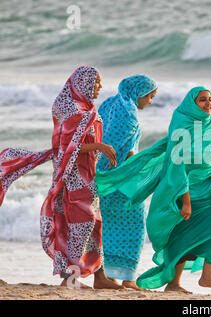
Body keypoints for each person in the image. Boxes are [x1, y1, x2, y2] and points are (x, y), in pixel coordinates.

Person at [0, 66, 123, 289]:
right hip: (73, 178)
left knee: (94, 224)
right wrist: (100, 146)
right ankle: (70, 279)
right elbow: (65, 147)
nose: (100, 87)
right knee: (80, 226)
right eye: (96, 82)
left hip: (89, 177)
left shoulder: (88, 109)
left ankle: (100, 277)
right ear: (84, 83)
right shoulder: (72, 110)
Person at [95, 87, 211, 293]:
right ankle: (174, 284)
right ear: (192, 104)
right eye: (202, 100)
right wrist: (185, 201)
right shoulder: (182, 125)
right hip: (182, 189)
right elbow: (177, 166)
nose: (208, 103)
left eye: (210, 99)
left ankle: (207, 276)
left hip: (207, 187)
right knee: (181, 235)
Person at [96, 75, 158, 291]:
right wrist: (150, 169)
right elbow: (130, 154)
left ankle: (108, 277)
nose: (150, 101)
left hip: (103, 177)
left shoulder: (110, 104)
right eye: (150, 96)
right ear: (140, 93)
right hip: (124, 180)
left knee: (108, 227)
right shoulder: (130, 114)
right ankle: (128, 279)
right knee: (135, 225)